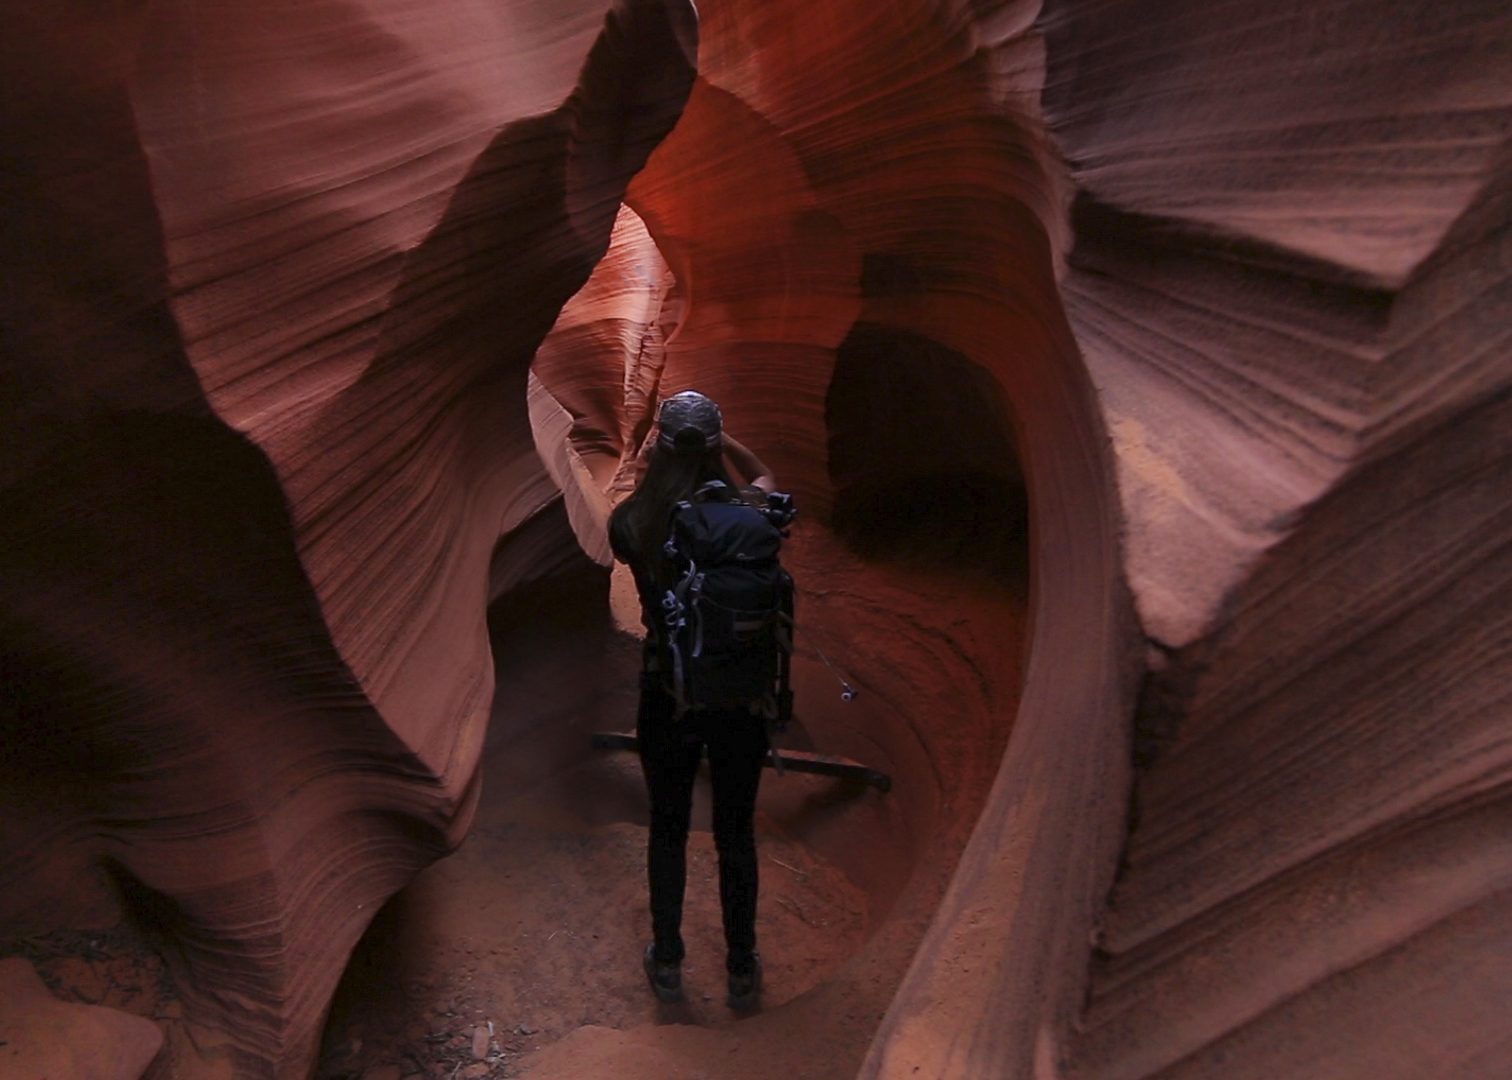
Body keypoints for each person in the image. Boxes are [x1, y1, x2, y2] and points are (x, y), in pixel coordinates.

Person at [608, 390, 780, 1011]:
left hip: (669, 692)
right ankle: (741, 965)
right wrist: (723, 442)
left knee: (669, 827)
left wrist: (651, 455)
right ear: (712, 446)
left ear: (661, 446)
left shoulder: (635, 522)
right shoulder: (752, 513)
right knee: (736, 831)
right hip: (740, 695)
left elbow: (631, 503)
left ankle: (668, 959)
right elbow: (766, 475)